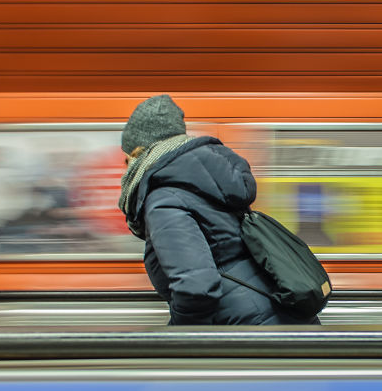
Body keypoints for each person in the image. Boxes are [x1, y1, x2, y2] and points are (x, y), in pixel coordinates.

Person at [118, 94, 318, 325]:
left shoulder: (164, 198)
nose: (125, 172)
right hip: (280, 317)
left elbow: (197, 287)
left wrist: (177, 338)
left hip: (250, 333)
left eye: (126, 160)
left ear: (139, 152)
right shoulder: (204, 181)